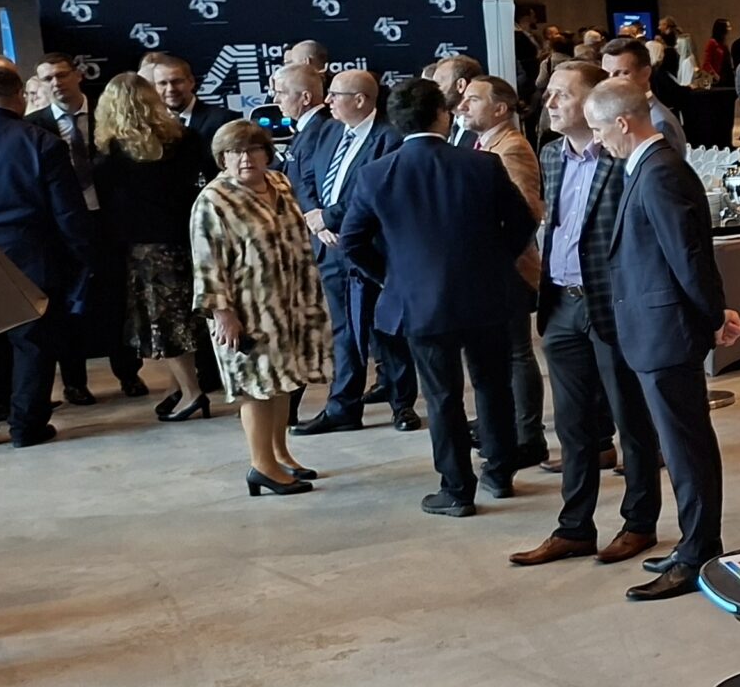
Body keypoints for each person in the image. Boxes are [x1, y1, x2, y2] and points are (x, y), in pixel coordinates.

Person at [337, 80, 536, 517]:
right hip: (486, 294)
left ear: (394, 120)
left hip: (419, 301)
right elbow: (523, 221)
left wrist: (392, 277)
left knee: (442, 396)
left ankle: (456, 489)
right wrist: (494, 261)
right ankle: (500, 472)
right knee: (493, 386)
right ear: (443, 115)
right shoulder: (482, 164)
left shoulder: (376, 174)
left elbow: (351, 241)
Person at [586, 79, 740, 598]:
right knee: (680, 446)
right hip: (655, 329)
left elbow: (689, 256)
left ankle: (699, 552)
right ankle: (692, 543)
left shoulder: (659, 172)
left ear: (623, 122)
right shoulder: (648, 168)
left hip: (666, 333)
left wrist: (713, 317)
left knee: (685, 448)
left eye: (598, 130)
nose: (597, 140)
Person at [512, 62, 668, 569]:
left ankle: (639, 523)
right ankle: (574, 528)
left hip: (612, 305)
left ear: (594, 101)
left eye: (562, 94)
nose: (550, 102)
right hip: (561, 303)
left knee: (632, 421)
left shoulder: (624, 157)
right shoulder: (550, 154)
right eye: (550, 94)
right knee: (573, 427)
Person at [0, 66, 91, 448]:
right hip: (28, 256)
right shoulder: (42, 142)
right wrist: (80, 258)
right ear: (21, 96)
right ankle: (26, 426)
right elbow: (68, 213)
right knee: (33, 345)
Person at [190, 121, 334, 495]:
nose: (245, 158)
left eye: (253, 149)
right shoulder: (214, 200)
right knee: (255, 387)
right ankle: (262, 466)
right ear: (222, 158)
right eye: (234, 152)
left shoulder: (280, 183)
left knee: (283, 381)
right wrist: (222, 313)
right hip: (246, 310)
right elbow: (207, 263)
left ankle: (280, 454)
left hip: (289, 303)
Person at [294, 70, 420, 435]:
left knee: (387, 330)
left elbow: (376, 193)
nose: (328, 101)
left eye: (335, 95)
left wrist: (332, 218)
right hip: (330, 248)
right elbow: (305, 178)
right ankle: (343, 408)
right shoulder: (328, 131)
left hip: (373, 250)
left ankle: (402, 404)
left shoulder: (389, 137)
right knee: (344, 331)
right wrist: (316, 219)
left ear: (361, 100)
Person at [91, 73, 213, 424]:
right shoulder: (185, 139)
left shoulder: (111, 154)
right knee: (184, 318)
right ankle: (179, 387)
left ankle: (192, 392)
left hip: (145, 250)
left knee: (164, 323)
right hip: (187, 240)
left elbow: (108, 208)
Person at [30, 51, 142, 404]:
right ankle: (75, 382)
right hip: (62, 230)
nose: (56, 83)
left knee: (118, 301)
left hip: (110, 223)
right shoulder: (35, 126)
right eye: (47, 78)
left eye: (61, 75)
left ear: (78, 74)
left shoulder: (108, 115)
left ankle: (128, 373)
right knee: (68, 308)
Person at [459, 74, 549, 470]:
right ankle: (504, 425)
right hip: (492, 268)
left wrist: (497, 255)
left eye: (474, 100)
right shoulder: (483, 144)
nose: (463, 106)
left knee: (517, 353)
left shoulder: (511, 148)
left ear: (500, 109)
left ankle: (529, 436)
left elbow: (525, 211)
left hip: (510, 268)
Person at [139, 53, 230, 161]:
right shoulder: (150, 125)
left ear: (191, 82)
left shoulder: (222, 118)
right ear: (154, 88)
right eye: (163, 83)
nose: (170, 89)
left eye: (177, 82)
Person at [597, 38, 685, 148]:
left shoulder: (658, 123)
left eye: (622, 73)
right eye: (606, 74)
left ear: (645, 73)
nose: (610, 81)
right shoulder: (624, 115)